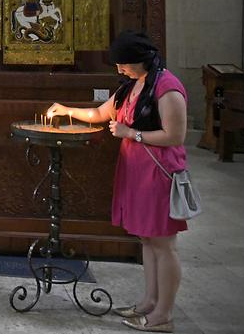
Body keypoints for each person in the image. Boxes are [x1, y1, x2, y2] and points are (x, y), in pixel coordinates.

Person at [47, 30, 187, 333]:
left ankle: (163, 315)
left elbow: (175, 136)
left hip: (158, 174)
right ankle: (149, 302)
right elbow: (100, 113)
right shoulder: (131, 86)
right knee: (147, 240)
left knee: (163, 244)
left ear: (140, 60)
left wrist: (131, 134)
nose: (118, 69)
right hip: (136, 171)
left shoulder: (167, 87)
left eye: (123, 64)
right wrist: (66, 109)